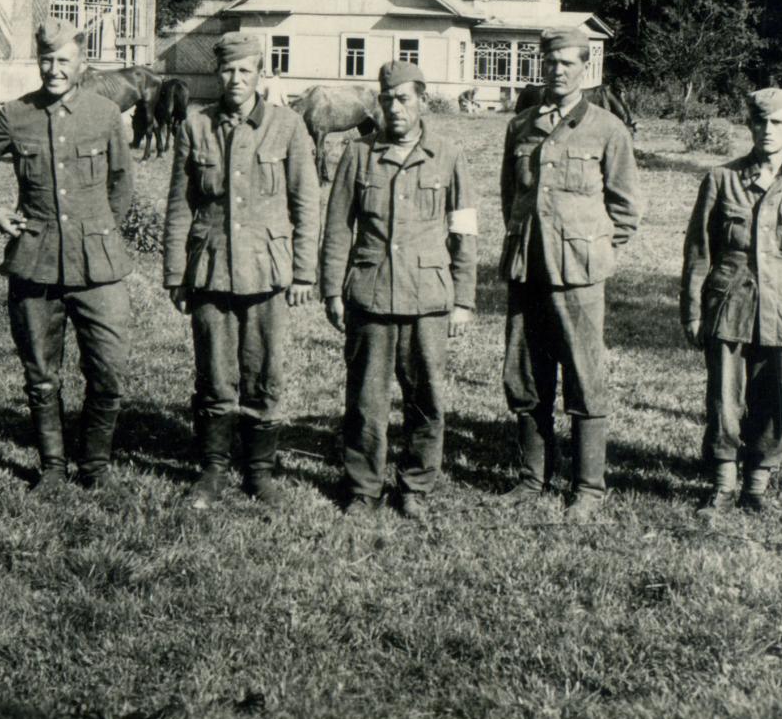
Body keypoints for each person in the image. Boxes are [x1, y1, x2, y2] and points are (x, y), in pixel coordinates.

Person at [0, 17, 135, 494]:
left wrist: (99, 232)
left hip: (99, 267)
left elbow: (121, 185)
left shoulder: (105, 114)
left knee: (108, 370)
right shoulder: (17, 114)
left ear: (83, 64)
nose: (54, 70)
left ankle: (95, 467)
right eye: (47, 60)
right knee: (40, 375)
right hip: (34, 263)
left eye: (64, 61)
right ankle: (53, 468)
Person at [162, 32, 320, 509]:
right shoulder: (196, 126)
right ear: (218, 73)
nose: (236, 79)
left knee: (264, 372)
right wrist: (175, 274)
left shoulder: (287, 125)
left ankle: (259, 473)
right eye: (228, 70)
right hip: (209, 268)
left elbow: (306, 203)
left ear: (260, 74)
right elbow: (180, 206)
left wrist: (304, 272)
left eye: (245, 70)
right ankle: (212, 471)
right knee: (213, 374)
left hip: (267, 270)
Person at [319, 60, 477, 518]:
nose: (394, 108)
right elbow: (337, 228)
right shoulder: (358, 154)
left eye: (403, 99)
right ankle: (363, 488)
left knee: (426, 399)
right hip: (370, 293)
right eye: (386, 99)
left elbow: (463, 231)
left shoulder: (448, 154)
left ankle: (416, 486)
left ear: (422, 101)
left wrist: (464, 299)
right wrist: (332, 291)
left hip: (428, 297)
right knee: (365, 401)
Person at [499, 26, 642, 521]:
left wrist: (593, 249)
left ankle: (587, 487)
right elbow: (511, 198)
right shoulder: (521, 126)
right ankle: (532, 477)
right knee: (525, 375)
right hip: (527, 269)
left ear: (585, 67)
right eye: (550, 61)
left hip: (579, 275)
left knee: (584, 377)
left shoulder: (607, 128)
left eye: (567, 62)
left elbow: (626, 209)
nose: (557, 70)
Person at [680, 88, 782, 512]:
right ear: (749, 125)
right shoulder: (721, 179)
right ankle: (723, 482)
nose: (768, 130)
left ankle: (757, 484)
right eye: (760, 121)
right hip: (728, 304)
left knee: (776, 396)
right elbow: (698, 251)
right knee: (724, 396)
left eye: (777, 123)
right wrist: (693, 312)